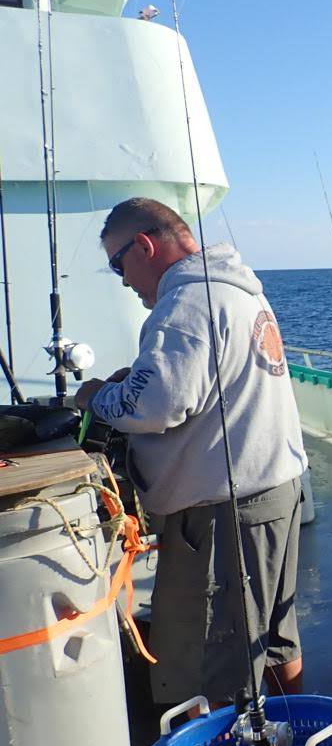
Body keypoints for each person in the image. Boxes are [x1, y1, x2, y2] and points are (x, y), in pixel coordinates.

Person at [75, 198, 307, 709]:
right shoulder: (236, 290)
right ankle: (295, 731)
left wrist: (95, 396)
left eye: (118, 264)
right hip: (275, 495)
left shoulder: (185, 303)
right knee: (271, 636)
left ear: (145, 245)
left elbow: (159, 403)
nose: (121, 279)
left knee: (214, 661)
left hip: (226, 517)